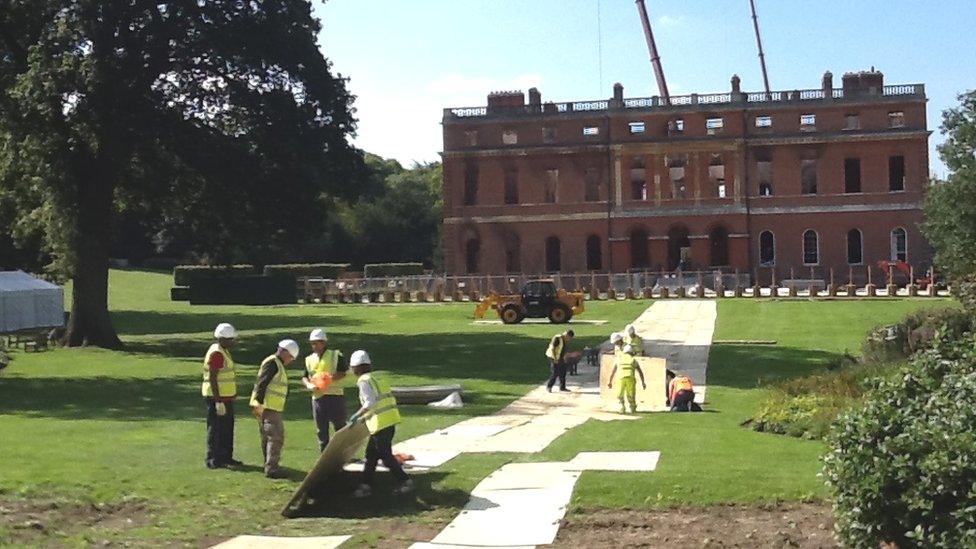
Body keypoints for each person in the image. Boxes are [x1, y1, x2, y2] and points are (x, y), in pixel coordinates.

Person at [348, 350, 412, 498]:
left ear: (356, 367)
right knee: (371, 455)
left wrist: (357, 415)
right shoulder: (377, 378)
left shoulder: (363, 381)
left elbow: (371, 401)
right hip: (389, 421)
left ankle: (405, 481)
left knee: (385, 455)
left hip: (380, 424)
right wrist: (365, 418)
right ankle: (366, 484)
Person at [250, 339, 300, 478]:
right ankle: (272, 468)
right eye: (291, 357)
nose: (290, 361)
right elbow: (262, 383)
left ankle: (268, 464)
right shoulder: (273, 363)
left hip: (269, 406)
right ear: (286, 353)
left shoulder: (275, 364)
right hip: (269, 407)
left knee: (268, 437)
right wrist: (259, 403)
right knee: (275, 437)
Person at [302, 328, 350, 451]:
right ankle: (324, 454)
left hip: (335, 396)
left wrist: (328, 379)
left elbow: (343, 372)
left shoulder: (335, 355)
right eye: (312, 343)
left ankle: (343, 452)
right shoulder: (309, 359)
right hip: (318, 398)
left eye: (316, 343)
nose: (314, 346)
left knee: (340, 427)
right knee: (321, 429)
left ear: (323, 342)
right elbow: (305, 376)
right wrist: (308, 384)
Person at [203, 323, 242, 469]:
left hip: (226, 397)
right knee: (216, 428)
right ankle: (214, 458)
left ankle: (226, 457)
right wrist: (218, 400)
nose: (233, 342)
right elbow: (213, 378)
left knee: (227, 428)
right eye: (231, 339)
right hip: (217, 397)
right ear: (223, 339)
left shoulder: (222, 350)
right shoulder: (218, 353)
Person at [607, 344, 647, 414]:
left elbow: (612, 371)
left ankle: (622, 407)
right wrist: (643, 382)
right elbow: (640, 372)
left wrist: (610, 381)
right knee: (631, 394)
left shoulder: (619, 359)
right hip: (630, 378)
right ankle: (632, 408)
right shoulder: (633, 360)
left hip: (620, 378)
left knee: (620, 394)